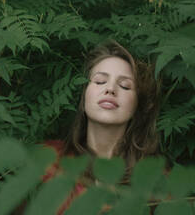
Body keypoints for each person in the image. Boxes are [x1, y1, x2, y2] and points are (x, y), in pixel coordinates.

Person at [13, 40, 161, 214]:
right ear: (84, 96)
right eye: (99, 81)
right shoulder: (44, 160)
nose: (110, 89)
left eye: (125, 86)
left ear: (138, 105)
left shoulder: (158, 179)